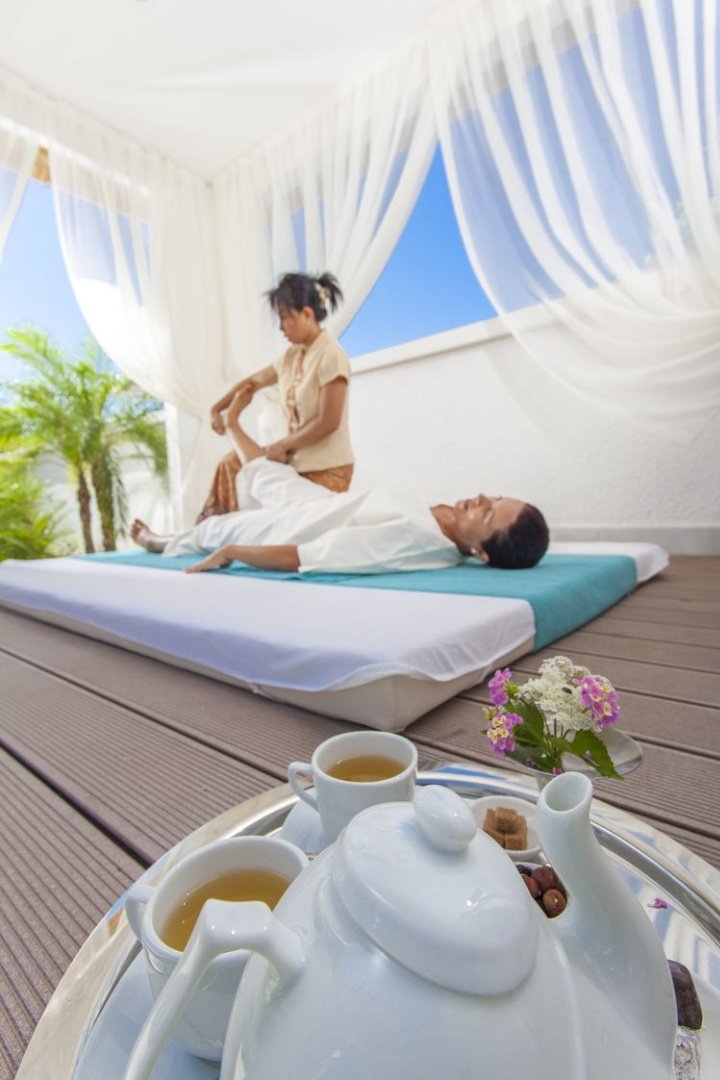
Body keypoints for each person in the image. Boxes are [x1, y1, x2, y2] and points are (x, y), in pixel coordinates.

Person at [132, 386, 549, 574]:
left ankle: (163, 541)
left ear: (481, 554)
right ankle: (231, 424)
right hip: (326, 504)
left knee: (219, 528)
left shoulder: (412, 540)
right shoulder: (445, 518)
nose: (481, 497)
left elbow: (313, 555)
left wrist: (234, 552)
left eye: (488, 513)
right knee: (268, 473)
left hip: (304, 525)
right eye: (494, 497)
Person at [197, 271, 353, 522]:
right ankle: (208, 529)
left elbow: (328, 422)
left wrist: (283, 445)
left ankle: (214, 533)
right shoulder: (291, 357)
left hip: (326, 471)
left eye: (284, 318)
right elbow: (252, 382)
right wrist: (216, 408)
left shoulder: (331, 355)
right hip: (294, 466)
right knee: (231, 463)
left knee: (261, 484)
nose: (281, 327)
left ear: (307, 314)